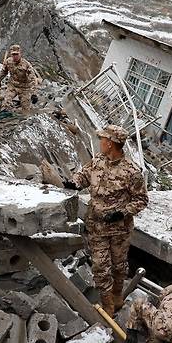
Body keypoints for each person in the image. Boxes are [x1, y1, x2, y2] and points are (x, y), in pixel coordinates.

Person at [66, 125, 149, 316]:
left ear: (110, 143)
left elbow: (141, 200)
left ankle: (118, 294)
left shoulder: (132, 172)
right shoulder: (98, 162)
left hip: (119, 231)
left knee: (119, 267)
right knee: (101, 267)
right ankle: (108, 306)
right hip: (97, 227)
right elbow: (83, 175)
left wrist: (122, 212)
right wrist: (74, 183)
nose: (100, 142)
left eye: (102, 139)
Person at [0, 44, 38, 111]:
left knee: (26, 108)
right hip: (12, 86)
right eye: (13, 54)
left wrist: (34, 93)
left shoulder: (26, 64)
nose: (15, 56)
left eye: (17, 54)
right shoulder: (8, 61)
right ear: (11, 54)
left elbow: (33, 79)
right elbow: (4, 71)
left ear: (20, 54)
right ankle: (4, 116)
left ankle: (26, 119)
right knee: (6, 102)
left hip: (25, 88)